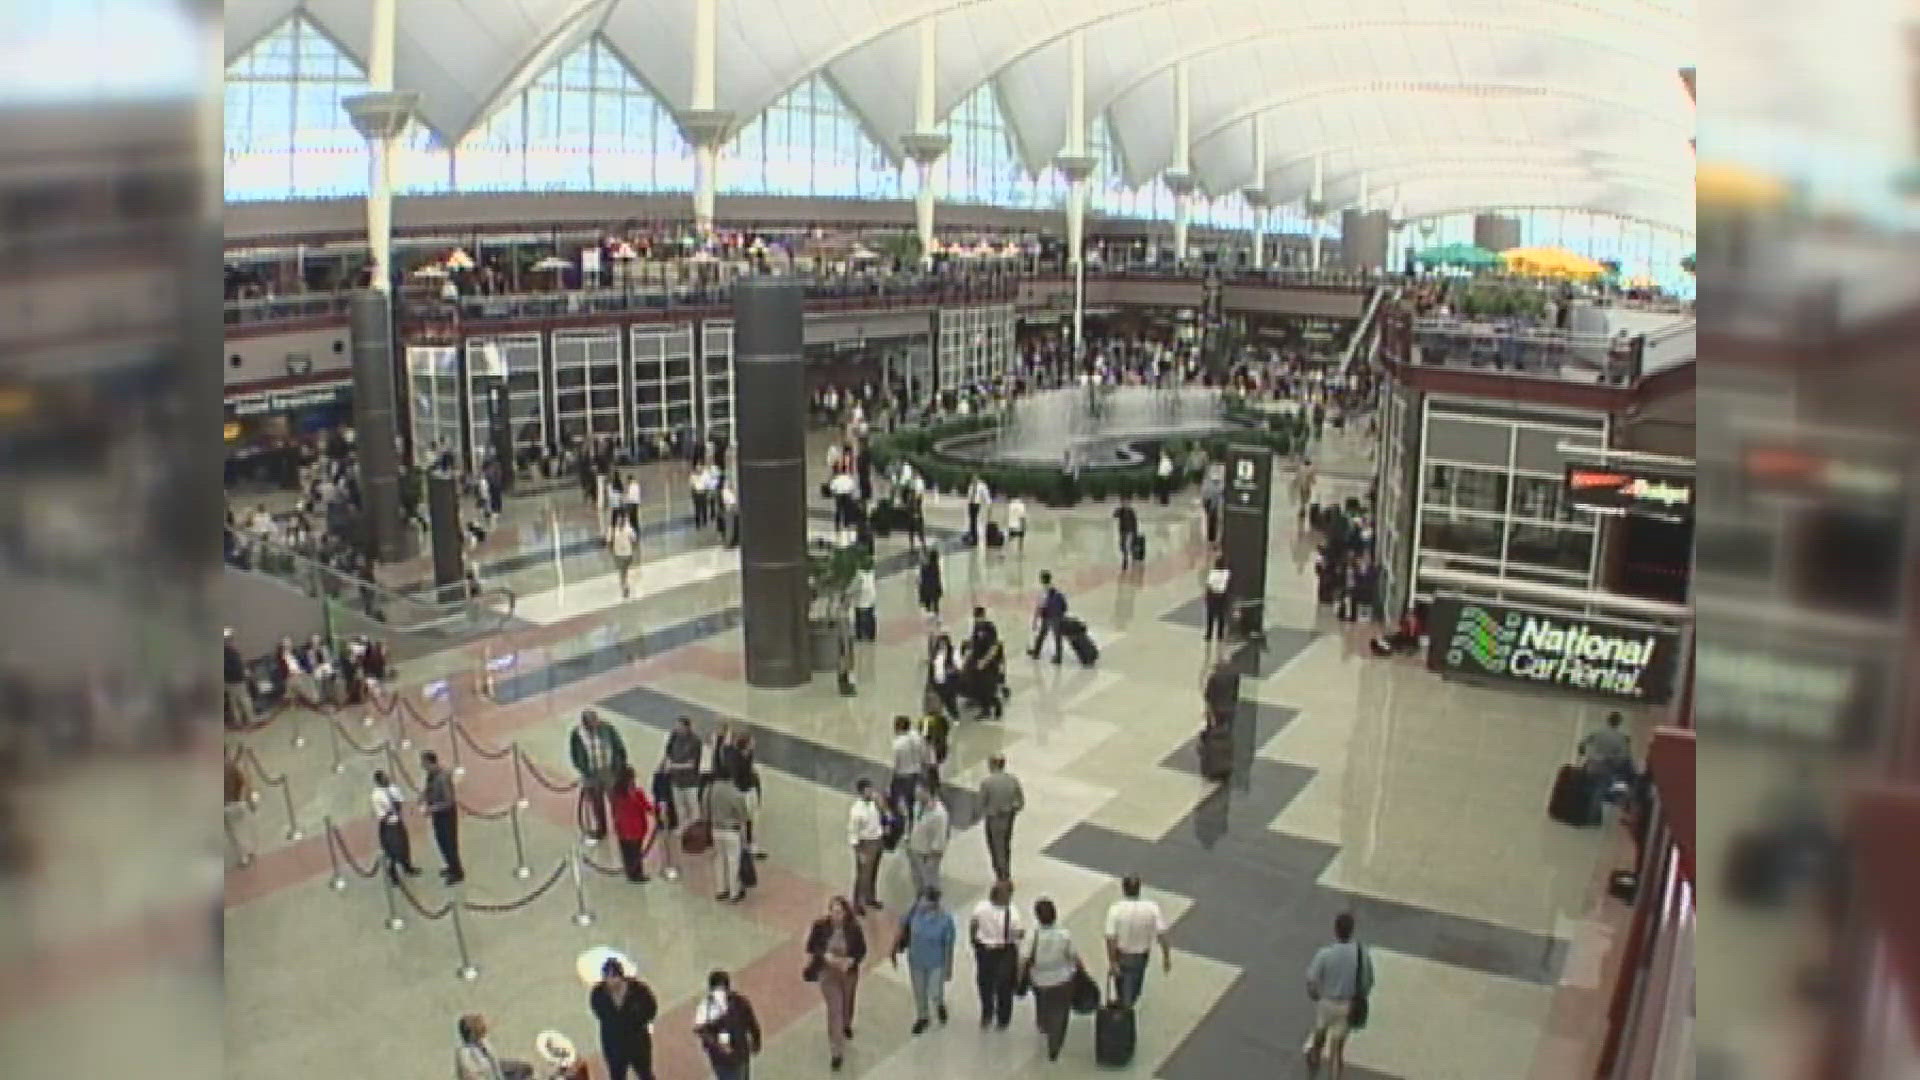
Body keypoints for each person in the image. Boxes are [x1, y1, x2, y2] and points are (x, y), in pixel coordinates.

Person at [1304, 912, 1374, 1078]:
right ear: (1352, 930)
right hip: (1347, 1006)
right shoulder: (1361, 954)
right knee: (1337, 1050)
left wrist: (1315, 994)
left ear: (1335, 930)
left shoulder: (1325, 954)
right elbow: (1367, 981)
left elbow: (1312, 979)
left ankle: (1314, 1055)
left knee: (1320, 1030)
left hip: (1327, 1002)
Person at [805, 895, 869, 1070]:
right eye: (833, 912)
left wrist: (851, 960)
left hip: (847, 973)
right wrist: (824, 955)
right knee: (835, 1009)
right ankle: (836, 1051)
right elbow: (811, 946)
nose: (835, 916)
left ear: (845, 913)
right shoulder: (820, 927)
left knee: (847, 1003)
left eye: (839, 912)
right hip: (828, 973)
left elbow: (862, 951)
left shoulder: (854, 929)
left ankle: (846, 1024)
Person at [1022, 897, 1085, 1061]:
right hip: (1062, 980)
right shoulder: (1064, 934)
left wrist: (1019, 976)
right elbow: (1073, 956)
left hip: (1039, 979)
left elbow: (1023, 959)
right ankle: (1055, 1044)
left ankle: (1043, 1023)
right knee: (1060, 1011)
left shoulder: (1033, 935)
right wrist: (1082, 971)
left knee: (1042, 1001)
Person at [892, 886, 957, 1034]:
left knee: (935, 990)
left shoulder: (945, 920)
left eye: (923, 900)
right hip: (916, 960)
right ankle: (923, 1016)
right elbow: (901, 927)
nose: (920, 903)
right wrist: (894, 949)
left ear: (932, 902)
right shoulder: (914, 912)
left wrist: (948, 967)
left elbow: (948, 945)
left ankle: (939, 1003)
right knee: (919, 991)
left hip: (936, 962)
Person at [1104, 875, 1171, 1007]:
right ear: (1139, 888)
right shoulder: (1152, 908)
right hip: (1141, 955)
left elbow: (1110, 937)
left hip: (1121, 954)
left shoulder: (1115, 909)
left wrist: (1112, 961)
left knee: (1122, 986)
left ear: (1123, 889)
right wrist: (1166, 957)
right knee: (1135, 984)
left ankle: (1122, 1007)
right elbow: (1162, 934)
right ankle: (1126, 1006)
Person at [969, 879, 1025, 1029]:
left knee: (985, 983)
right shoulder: (1012, 912)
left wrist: (974, 941)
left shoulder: (981, 907)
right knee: (1004, 986)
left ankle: (987, 1014)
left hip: (985, 949)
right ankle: (1003, 1018)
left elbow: (973, 924)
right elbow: (1018, 933)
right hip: (1004, 950)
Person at [591, 958, 659, 1080]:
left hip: (638, 1041)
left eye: (613, 977)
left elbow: (651, 1008)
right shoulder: (598, 993)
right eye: (607, 978)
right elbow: (599, 1012)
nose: (610, 982)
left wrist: (638, 1021)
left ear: (620, 976)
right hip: (614, 1044)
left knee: (645, 1073)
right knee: (617, 1076)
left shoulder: (638, 990)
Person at [570, 710, 629, 841]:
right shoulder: (577, 734)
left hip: (609, 771)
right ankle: (601, 829)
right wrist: (582, 768)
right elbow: (574, 753)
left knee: (616, 801)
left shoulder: (607, 728)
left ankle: (620, 827)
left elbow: (619, 746)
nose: (596, 724)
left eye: (596, 720)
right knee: (596, 804)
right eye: (592, 722)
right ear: (585, 723)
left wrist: (620, 766)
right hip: (591, 774)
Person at [693, 970, 762, 1080]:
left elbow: (752, 1023)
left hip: (731, 1058)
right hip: (730, 1058)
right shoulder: (739, 1002)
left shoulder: (710, 1008)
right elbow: (752, 1023)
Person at [707, 767, 753, 903]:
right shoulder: (735, 793)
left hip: (716, 829)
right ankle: (734, 892)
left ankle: (721, 889)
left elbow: (705, 806)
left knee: (719, 859)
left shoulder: (712, 790)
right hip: (731, 830)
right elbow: (743, 815)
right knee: (733, 861)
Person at [977, 755, 1024, 883]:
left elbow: (980, 804)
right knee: (1005, 845)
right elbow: (1020, 802)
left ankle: (1001, 876)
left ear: (992, 764)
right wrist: (1011, 810)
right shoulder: (1012, 780)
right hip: (1008, 818)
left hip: (994, 819)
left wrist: (990, 811)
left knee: (996, 847)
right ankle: (1006, 872)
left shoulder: (987, 783)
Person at [420, 750, 464, 885]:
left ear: (431, 763)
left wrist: (431, 809)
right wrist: (423, 796)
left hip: (446, 816)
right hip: (437, 814)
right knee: (441, 842)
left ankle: (457, 872)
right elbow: (429, 789)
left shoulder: (442, 778)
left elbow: (449, 801)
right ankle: (450, 866)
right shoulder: (431, 775)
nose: (422, 766)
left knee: (449, 843)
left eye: (424, 763)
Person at [663, 716, 704, 854]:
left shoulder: (695, 741)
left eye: (680, 726)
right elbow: (668, 753)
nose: (677, 728)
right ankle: (682, 826)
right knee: (679, 805)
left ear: (687, 727)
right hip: (676, 780)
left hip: (690, 781)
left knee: (693, 806)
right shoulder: (673, 737)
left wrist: (674, 766)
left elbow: (692, 764)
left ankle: (696, 831)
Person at [609, 764, 656, 882]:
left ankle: (629, 871)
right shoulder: (636, 794)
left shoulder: (615, 795)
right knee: (636, 852)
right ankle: (636, 873)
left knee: (626, 851)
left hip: (622, 829)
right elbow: (646, 807)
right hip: (636, 828)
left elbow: (614, 810)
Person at [371, 769, 419, 881]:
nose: (387, 779)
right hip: (388, 825)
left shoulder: (392, 788)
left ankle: (407, 867)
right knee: (392, 850)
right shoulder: (376, 796)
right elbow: (381, 815)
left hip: (398, 821)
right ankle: (393, 875)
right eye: (384, 778)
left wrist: (398, 805)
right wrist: (390, 810)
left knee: (404, 845)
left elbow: (400, 800)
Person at [847, 779, 885, 915]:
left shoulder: (874, 802)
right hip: (866, 843)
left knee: (873, 872)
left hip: (877, 839)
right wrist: (859, 852)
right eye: (868, 790)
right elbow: (853, 833)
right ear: (861, 792)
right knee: (862, 875)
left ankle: (870, 897)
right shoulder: (856, 811)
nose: (871, 792)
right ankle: (857, 902)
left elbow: (883, 814)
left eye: (871, 789)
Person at [455, 1013, 533, 1080]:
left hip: (494, 1071)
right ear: (471, 1033)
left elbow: (493, 1060)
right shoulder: (465, 1054)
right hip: (487, 1075)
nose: (484, 1027)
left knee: (524, 1068)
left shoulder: (482, 1041)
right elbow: (472, 1076)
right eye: (479, 1026)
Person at [905, 784, 950, 898]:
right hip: (915, 848)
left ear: (927, 792)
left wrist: (933, 856)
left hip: (928, 854)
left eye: (919, 794)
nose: (917, 796)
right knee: (917, 878)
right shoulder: (918, 805)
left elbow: (940, 837)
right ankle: (919, 897)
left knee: (930, 880)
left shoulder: (939, 813)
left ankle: (932, 901)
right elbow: (914, 822)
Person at [889, 715, 929, 821]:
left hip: (903, 774)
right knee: (911, 797)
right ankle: (913, 816)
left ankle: (899, 818)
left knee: (897, 796)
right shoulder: (916, 736)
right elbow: (924, 753)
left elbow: (895, 763)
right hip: (916, 771)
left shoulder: (897, 744)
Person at [224, 745, 255, 867]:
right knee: (243, 829)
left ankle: (243, 857)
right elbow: (242, 783)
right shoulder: (232, 768)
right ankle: (248, 852)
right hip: (236, 803)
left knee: (234, 833)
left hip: (224, 807)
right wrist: (244, 799)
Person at [1027, 571, 1068, 663]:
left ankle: (1036, 652)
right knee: (1057, 637)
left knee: (1042, 634)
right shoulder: (1056, 589)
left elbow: (1040, 607)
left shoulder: (1043, 592)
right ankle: (1058, 656)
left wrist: (1035, 620)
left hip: (1048, 616)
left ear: (1042, 580)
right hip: (1057, 615)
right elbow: (1064, 604)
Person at [223, 628, 255, 729]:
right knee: (244, 701)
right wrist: (243, 672)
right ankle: (250, 721)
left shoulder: (229, 651)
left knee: (235, 702)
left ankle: (239, 721)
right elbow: (233, 666)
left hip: (231, 680)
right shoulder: (228, 651)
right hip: (236, 680)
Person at [926, 634, 960, 721]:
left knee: (950, 700)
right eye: (940, 645)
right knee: (942, 698)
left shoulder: (953, 652)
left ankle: (955, 716)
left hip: (949, 681)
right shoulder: (936, 654)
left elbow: (958, 665)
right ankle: (945, 714)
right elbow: (933, 667)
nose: (942, 647)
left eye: (944, 644)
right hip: (938, 681)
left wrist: (952, 670)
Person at [1203, 556, 1232, 644]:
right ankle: (1220, 635)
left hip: (1213, 595)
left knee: (1210, 616)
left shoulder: (1213, 573)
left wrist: (1206, 597)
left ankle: (1209, 634)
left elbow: (1209, 585)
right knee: (1221, 616)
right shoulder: (1227, 573)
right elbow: (1227, 584)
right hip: (1222, 595)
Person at [609, 515, 638, 599]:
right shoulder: (626, 530)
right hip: (623, 554)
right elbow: (634, 540)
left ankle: (624, 586)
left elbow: (609, 542)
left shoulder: (616, 530)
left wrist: (612, 551)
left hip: (623, 554)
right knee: (624, 571)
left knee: (622, 572)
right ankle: (625, 585)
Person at [1113, 496, 1140, 569]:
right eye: (1123, 502)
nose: (1125, 504)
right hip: (1123, 531)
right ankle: (1125, 560)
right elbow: (1114, 515)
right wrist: (1120, 509)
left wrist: (1135, 532)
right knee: (1122, 546)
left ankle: (1132, 560)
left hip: (1131, 531)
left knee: (1130, 545)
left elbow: (1135, 522)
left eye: (1126, 502)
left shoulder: (1131, 511)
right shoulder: (1121, 511)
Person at [852, 566, 877, 642]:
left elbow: (853, 587)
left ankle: (859, 635)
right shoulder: (871, 572)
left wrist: (847, 593)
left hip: (860, 598)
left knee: (859, 616)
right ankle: (871, 636)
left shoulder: (858, 574)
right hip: (871, 596)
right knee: (870, 616)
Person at [916, 548, 943, 616]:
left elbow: (923, 576)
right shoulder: (936, 567)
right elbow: (937, 579)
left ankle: (931, 609)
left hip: (928, 588)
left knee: (931, 601)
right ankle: (936, 613)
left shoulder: (927, 567)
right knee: (935, 603)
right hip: (934, 588)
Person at [966, 474, 990, 541]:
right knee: (971, 520)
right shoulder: (971, 486)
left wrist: (988, 503)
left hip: (977, 504)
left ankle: (976, 535)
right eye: (973, 479)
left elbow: (986, 494)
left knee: (976, 519)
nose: (973, 480)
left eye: (975, 479)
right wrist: (968, 502)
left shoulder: (982, 486)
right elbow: (969, 495)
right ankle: (972, 534)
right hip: (971, 503)